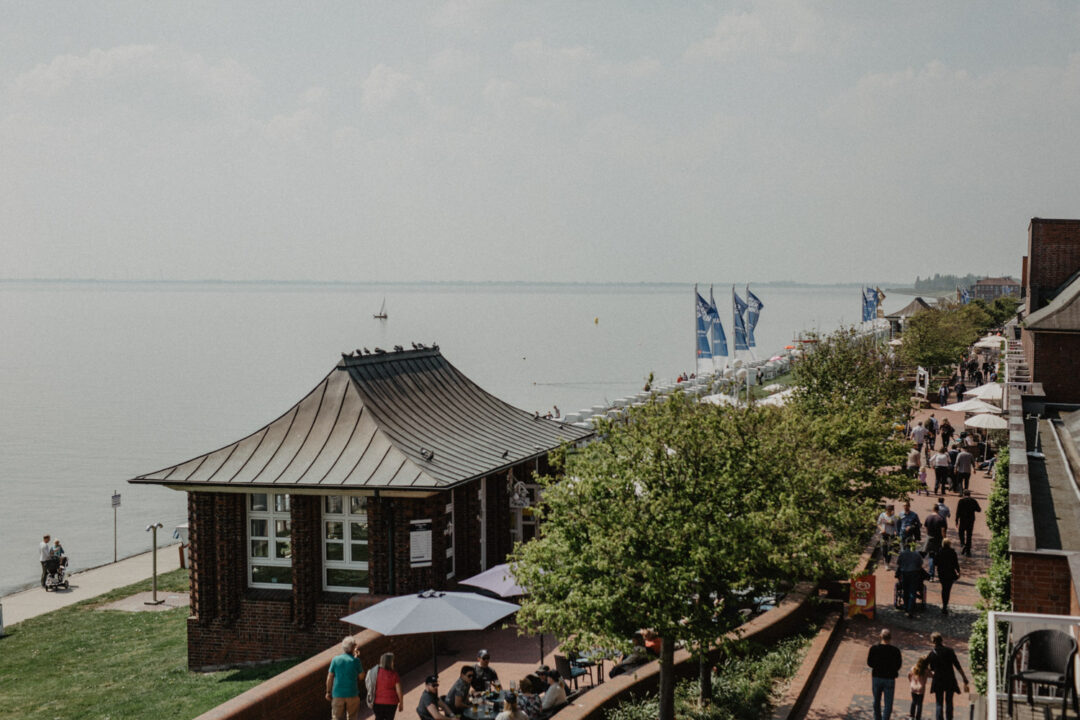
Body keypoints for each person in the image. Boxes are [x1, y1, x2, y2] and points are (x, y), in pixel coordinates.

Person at [927, 632, 969, 720]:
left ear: (933, 641)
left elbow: (929, 668)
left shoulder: (932, 654)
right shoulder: (949, 651)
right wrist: (964, 677)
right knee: (949, 702)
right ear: (941, 640)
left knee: (939, 703)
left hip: (938, 680)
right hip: (949, 679)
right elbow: (957, 665)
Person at [866, 628, 903, 720]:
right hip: (889, 679)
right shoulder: (895, 651)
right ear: (890, 638)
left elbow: (869, 663)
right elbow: (898, 665)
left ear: (880, 636)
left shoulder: (874, 649)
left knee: (876, 701)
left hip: (877, 677)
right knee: (888, 704)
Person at [326, 636, 365, 720]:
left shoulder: (335, 659)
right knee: (352, 717)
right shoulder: (356, 661)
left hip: (338, 694)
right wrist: (356, 658)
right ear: (353, 648)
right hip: (352, 693)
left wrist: (328, 692)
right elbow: (361, 677)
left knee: (336, 717)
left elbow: (330, 677)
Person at [366, 652, 403, 720]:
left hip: (377, 702)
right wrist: (401, 703)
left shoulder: (376, 672)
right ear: (390, 662)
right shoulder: (394, 674)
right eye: (392, 661)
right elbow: (399, 691)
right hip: (391, 703)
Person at [896, 543, 924, 618]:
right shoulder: (916, 554)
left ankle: (906, 607)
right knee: (912, 591)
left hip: (904, 573)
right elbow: (920, 564)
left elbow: (898, 563)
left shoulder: (902, 554)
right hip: (914, 573)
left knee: (905, 590)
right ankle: (910, 608)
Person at [935, 539, 961, 615]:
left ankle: (944, 605)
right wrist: (958, 571)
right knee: (948, 589)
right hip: (950, 573)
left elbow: (935, 563)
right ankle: (945, 605)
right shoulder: (952, 552)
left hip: (942, 573)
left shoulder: (939, 552)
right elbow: (956, 563)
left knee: (944, 588)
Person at [923, 507, 947, 582]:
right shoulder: (941, 518)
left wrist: (929, 536)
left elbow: (926, 529)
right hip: (938, 540)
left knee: (931, 557)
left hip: (930, 539)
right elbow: (943, 531)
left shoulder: (928, 517)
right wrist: (944, 539)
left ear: (933, 509)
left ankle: (931, 576)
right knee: (940, 557)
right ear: (938, 510)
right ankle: (941, 574)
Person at [955, 491, 982, 556]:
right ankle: (968, 551)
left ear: (964, 494)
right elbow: (979, 510)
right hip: (970, 520)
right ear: (970, 494)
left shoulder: (961, 501)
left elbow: (958, 511)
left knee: (961, 532)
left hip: (963, 520)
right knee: (969, 535)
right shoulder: (973, 501)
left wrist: (956, 520)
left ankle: (963, 544)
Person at [907, 655, 931, 720]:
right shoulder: (926, 670)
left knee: (914, 701)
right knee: (919, 704)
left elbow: (909, 675)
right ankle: (918, 717)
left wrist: (911, 681)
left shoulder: (914, 668)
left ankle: (912, 715)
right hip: (921, 688)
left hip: (913, 687)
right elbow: (931, 675)